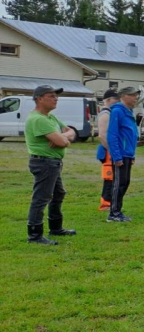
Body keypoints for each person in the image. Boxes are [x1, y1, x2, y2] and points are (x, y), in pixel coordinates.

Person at [24, 85, 77, 245]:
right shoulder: (39, 119)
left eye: (56, 96)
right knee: (41, 198)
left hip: (52, 163)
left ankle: (56, 227)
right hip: (44, 163)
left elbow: (72, 132)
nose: (56, 99)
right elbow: (63, 142)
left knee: (58, 193)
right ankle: (34, 235)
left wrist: (63, 136)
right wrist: (63, 138)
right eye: (51, 96)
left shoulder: (50, 118)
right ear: (39, 98)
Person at [106, 86, 140, 222]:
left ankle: (118, 211)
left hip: (128, 153)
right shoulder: (118, 111)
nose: (135, 97)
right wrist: (117, 156)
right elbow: (112, 135)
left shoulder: (129, 111)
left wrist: (132, 155)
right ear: (124, 96)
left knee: (125, 183)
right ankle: (113, 213)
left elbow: (130, 135)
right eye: (133, 95)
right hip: (120, 153)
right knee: (118, 184)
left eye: (136, 95)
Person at [95, 89, 119, 211]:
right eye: (116, 99)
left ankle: (112, 202)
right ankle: (105, 204)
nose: (118, 101)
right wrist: (112, 151)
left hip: (112, 150)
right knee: (109, 177)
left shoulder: (112, 113)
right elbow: (102, 136)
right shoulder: (105, 114)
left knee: (115, 178)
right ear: (108, 100)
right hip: (108, 151)